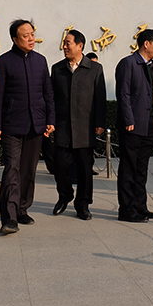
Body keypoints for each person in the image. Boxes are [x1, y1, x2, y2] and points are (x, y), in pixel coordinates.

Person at [0, 19, 55, 235]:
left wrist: (50, 120)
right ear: (15, 39)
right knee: (12, 168)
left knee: (28, 170)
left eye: (32, 34)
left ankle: (22, 209)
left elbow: (48, 94)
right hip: (12, 125)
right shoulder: (4, 62)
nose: (30, 38)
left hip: (36, 125)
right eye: (25, 35)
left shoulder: (40, 61)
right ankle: (9, 218)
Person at [50, 30, 107, 220]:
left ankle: (83, 204)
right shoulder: (57, 69)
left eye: (68, 43)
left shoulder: (95, 69)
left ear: (80, 46)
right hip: (63, 127)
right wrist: (50, 121)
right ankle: (64, 195)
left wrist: (100, 122)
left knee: (84, 169)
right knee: (60, 166)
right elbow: (51, 98)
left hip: (85, 127)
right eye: (64, 43)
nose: (64, 46)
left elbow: (100, 98)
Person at [114, 28, 153, 223]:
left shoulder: (151, 66)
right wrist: (128, 119)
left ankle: (140, 206)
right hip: (133, 125)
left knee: (141, 168)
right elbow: (123, 93)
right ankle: (126, 210)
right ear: (146, 44)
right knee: (129, 168)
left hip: (149, 124)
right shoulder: (128, 63)